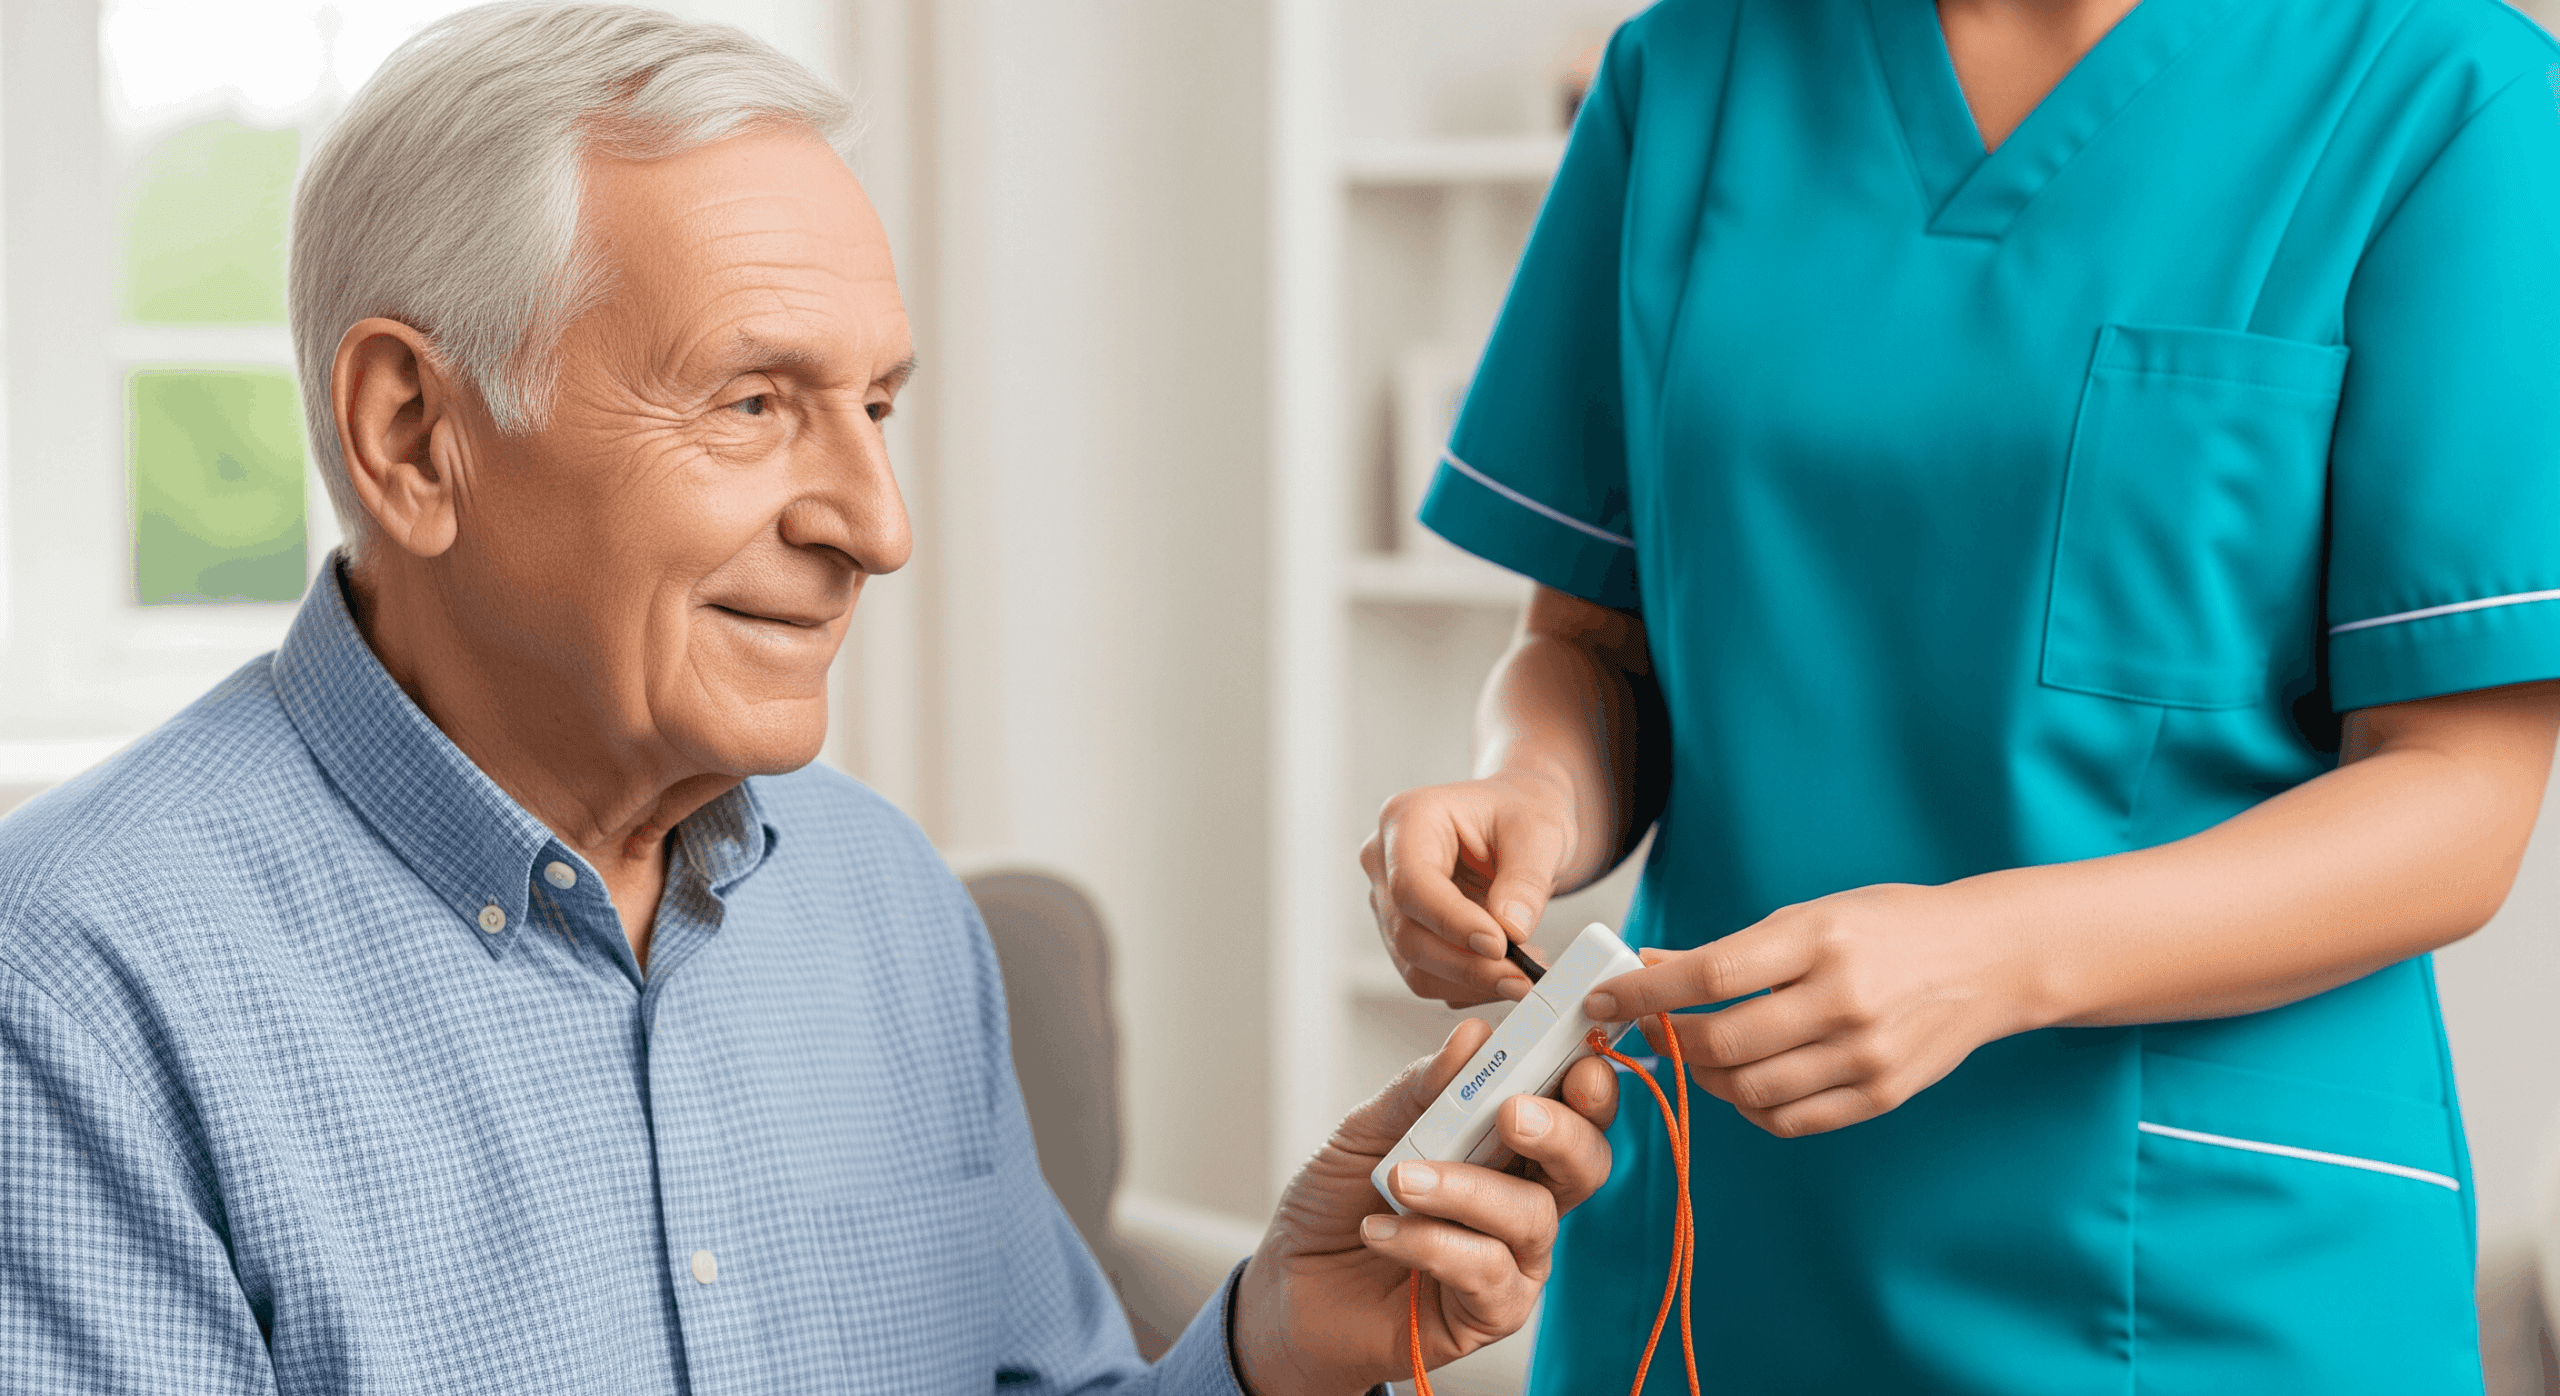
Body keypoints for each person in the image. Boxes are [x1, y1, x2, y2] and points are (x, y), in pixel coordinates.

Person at [0, 6, 1623, 1393]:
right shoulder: (74, 992)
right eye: (755, 400)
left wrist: (1271, 1342)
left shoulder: (880, 905)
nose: (879, 526)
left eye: (877, 406)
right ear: (415, 435)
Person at [1362, 0, 2560, 1390]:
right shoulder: (1686, 71)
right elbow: (1592, 648)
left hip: (2192, 1271)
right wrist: (1535, 791)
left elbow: (2459, 800)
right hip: (1721, 1242)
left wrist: (1989, 956)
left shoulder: (2446, 92)